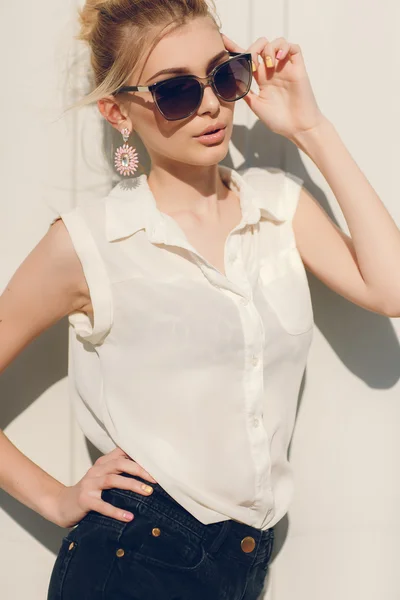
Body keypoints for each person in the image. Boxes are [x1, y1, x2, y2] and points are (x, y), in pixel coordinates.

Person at [1, 0, 399, 599]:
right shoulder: (89, 242)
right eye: (176, 92)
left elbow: (390, 289)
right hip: (133, 564)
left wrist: (310, 127)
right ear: (118, 112)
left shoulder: (279, 208)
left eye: (223, 74)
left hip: (242, 566)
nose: (212, 103)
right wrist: (55, 498)